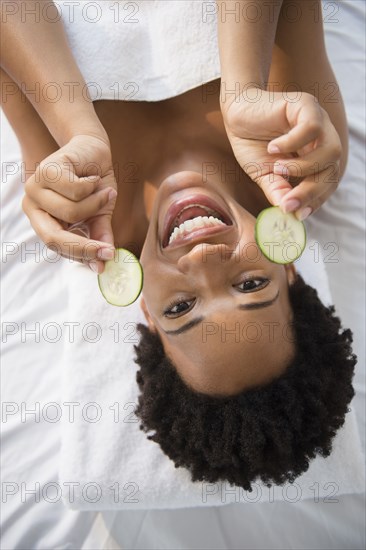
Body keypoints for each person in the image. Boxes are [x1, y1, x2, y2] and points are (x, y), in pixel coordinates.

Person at [0, 0, 355, 490]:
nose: (206, 263)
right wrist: (243, 88)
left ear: (146, 308)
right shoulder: (300, 159)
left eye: (182, 307)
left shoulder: (78, 207)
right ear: (288, 267)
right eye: (251, 284)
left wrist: (75, 128)